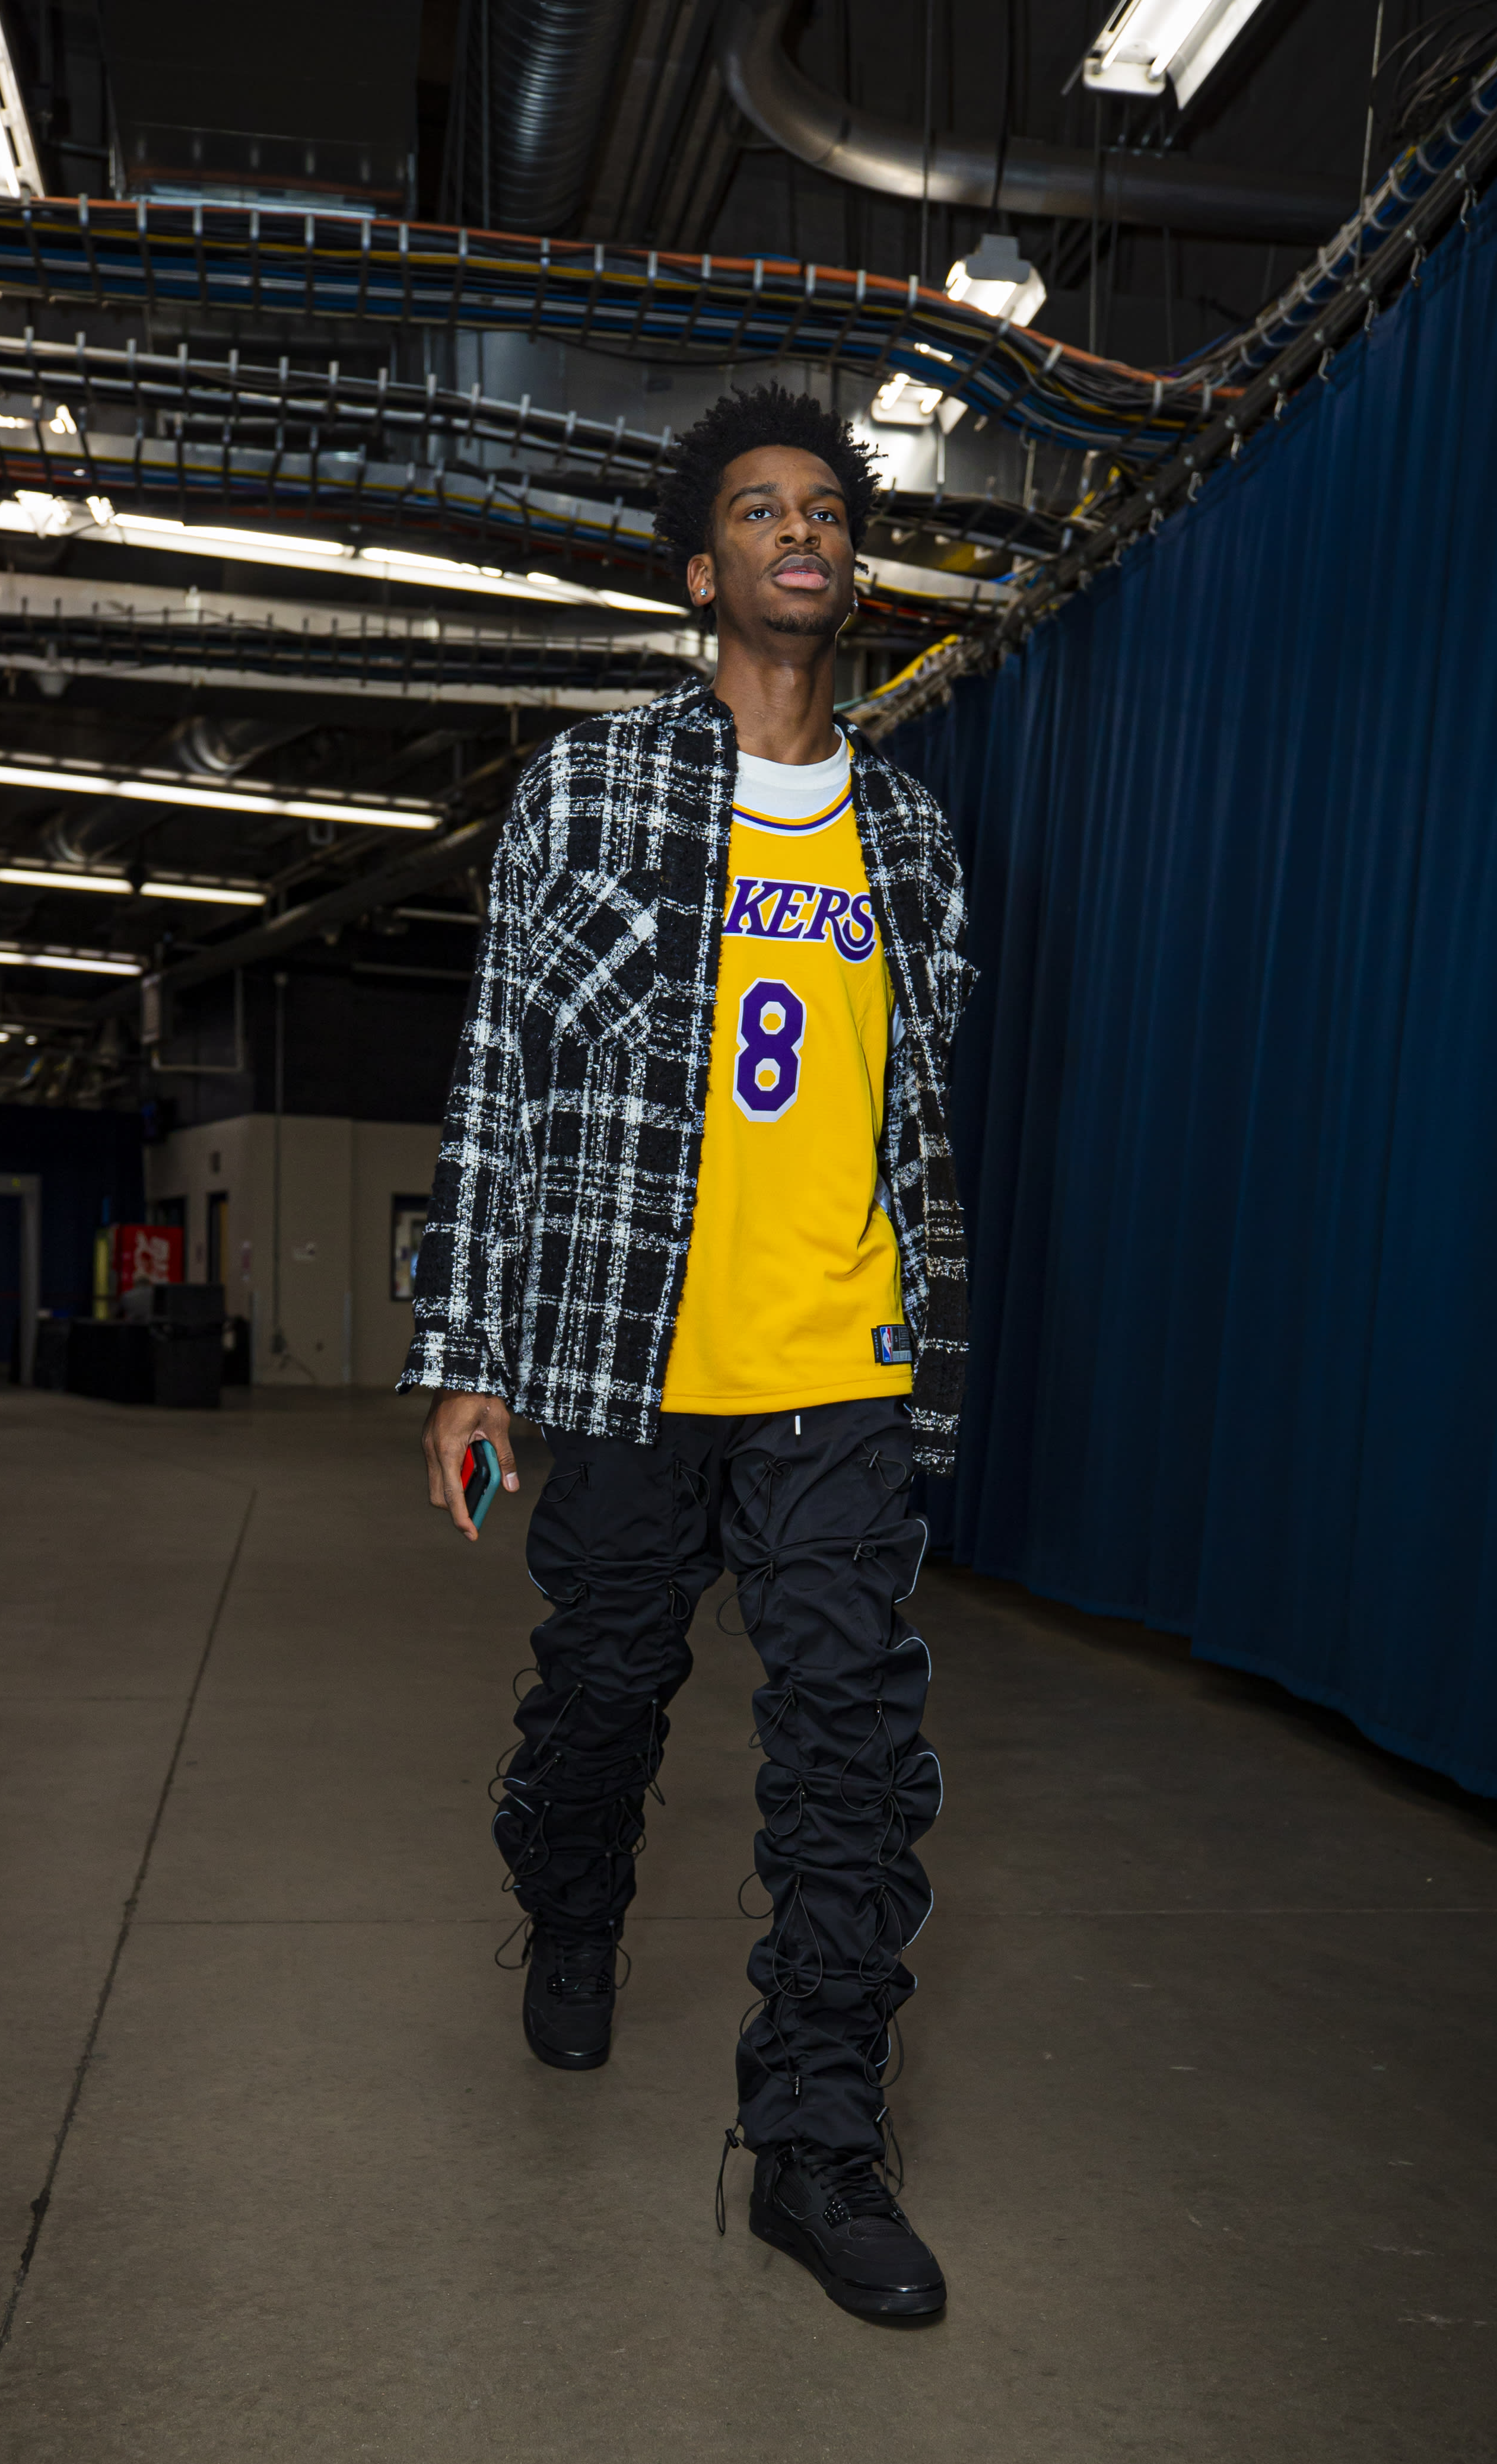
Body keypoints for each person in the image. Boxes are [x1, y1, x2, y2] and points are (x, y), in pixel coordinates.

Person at [401, 383, 972, 2322]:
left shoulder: (912, 836)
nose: (802, 529)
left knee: (849, 1763)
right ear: (702, 566)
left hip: (841, 1364)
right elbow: (500, 1079)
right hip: (629, 1357)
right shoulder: (587, 791)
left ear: (850, 562)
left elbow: (917, 1115)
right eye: (759, 506)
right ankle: (570, 1903)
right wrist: (468, 1355)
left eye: (826, 506)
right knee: (605, 1692)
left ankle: (815, 2147)